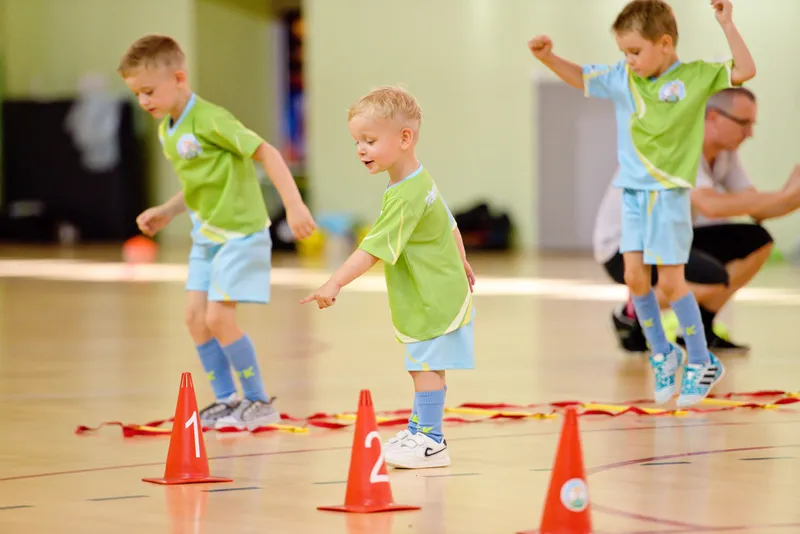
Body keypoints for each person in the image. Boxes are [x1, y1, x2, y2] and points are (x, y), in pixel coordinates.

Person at [528, 0, 756, 406]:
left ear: (665, 44)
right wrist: (548, 59)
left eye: (635, 51)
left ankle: (702, 360)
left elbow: (745, 70)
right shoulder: (622, 79)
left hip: (669, 196)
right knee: (636, 280)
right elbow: (581, 77)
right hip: (631, 195)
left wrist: (727, 25)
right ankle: (663, 354)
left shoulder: (695, 76)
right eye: (623, 53)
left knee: (670, 281)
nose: (628, 60)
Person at [117, 35, 316, 430]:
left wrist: (294, 206)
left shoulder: (210, 118)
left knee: (219, 318)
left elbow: (268, 153)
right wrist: (168, 211)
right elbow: (197, 187)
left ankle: (258, 401)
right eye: (137, 94)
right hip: (205, 236)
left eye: (149, 91)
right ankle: (227, 401)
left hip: (241, 235)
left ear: (178, 77)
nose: (144, 102)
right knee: (195, 319)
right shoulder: (166, 131)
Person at [300, 86, 476, 469]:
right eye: (357, 142)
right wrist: (461, 261)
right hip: (437, 287)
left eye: (369, 140)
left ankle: (430, 440)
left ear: (405, 138)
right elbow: (449, 222)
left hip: (433, 293)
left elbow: (371, 250)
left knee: (424, 365)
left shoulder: (404, 195)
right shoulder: (416, 178)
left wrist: (335, 282)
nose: (360, 149)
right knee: (424, 362)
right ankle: (421, 430)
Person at [595, 87, 800, 353]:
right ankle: (630, 314)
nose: (750, 133)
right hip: (625, 248)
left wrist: (792, 197)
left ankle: (701, 328)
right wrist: (786, 195)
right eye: (743, 123)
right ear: (713, 117)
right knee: (712, 278)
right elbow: (711, 205)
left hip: (673, 239)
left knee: (757, 241)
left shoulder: (724, 153)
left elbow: (756, 207)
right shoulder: (678, 145)